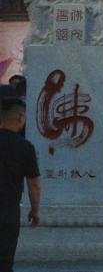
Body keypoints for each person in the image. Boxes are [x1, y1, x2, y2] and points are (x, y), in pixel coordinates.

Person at [0, 98, 38, 272]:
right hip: (8, 210)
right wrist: (35, 209)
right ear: (21, 117)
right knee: (5, 259)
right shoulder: (25, 147)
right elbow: (33, 184)